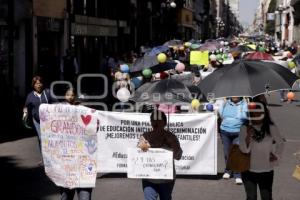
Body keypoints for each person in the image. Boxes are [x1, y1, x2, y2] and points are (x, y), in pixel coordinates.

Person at [239, 100, 284, 200]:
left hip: (266, 170)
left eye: (259, 112)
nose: (256, 114)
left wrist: (276, 155)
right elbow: (244, 150)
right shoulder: (244, 127)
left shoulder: (271, 127)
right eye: (253, 112)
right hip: (248, 170)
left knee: (266, 197)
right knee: (251, 197)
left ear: (264, 113)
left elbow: (280, 143)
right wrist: (247, 137)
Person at [138, 110, 183, 200]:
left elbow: (178, 156)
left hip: (166, 179)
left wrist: (172, 145)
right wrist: (142, 147)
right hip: (149, 178)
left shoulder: (171, 137)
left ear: (165, 123)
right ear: (151, 122)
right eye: (153, 120)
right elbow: (137, 155)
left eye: (159, 121)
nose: (156, 122)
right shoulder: (145, 136)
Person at [59, 88, 93, 200]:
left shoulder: (92, 118)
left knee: (85, 197)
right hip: (68, 164)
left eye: (85, 105)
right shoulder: (61, 112)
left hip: (85, 166)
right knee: (66, 196)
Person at [23, 76, 57, 159]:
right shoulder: (30, 96)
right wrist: (24, 116)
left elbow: (56, 103)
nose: (39, 85)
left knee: (49, 139)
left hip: (49, 120)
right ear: (33, 85)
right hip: (37, 120)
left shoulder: (48, 92)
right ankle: (45, 158)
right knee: (42, 138)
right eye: (36, 84)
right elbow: (26, 107)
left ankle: (51, 157)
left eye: (40, 83)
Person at [218, 97, 248, 184]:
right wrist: (222, 105)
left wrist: (242, 109)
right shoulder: (225, 103)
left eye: (236, 95)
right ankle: (227, 170)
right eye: (233, 95)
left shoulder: (244, 104)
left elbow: (245, 117)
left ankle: (237, 174)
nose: (234, 97)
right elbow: (221, 115)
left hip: (238, 132)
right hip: (225, 131)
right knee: (227, 153)